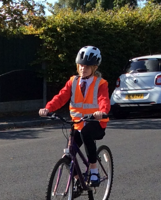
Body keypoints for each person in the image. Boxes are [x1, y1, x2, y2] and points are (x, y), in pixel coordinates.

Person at [39, 45, 111, 185]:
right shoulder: (73, 81)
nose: (83, 68)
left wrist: (101, 112)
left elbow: (104, 100)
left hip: (96, 123)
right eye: (81, 65)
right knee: (69, 153)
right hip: (77, 123)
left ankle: (94, 171)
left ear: (95, 68)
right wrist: (48, 108)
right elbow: (61, 97)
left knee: (86, 132)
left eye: (87, 66)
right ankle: (79, 180)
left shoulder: (100, 83)